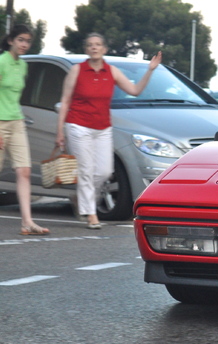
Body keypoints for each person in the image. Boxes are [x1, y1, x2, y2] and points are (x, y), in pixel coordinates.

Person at [55, 33, 162, 229]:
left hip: (102, 127)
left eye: (98, 45)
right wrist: (59, 132)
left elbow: (135, 90)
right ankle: (92, 215)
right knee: (86, 170)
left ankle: (83, 201)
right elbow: (65, 102)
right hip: (78, 125)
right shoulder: (77, 71)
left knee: (104, 172)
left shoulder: (111, 71)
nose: (94, 47)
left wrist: (150, 71)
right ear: (86, 49)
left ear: (104, 49)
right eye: (90, 45)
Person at [0, 24, 50, 235]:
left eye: (27, 41)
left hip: (16, 121)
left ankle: (27, 222)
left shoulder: (22, 66)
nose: (24, 44)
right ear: (11, 40)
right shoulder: (1, 61)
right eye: (20, 39)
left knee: (24, 171)